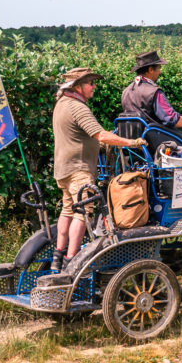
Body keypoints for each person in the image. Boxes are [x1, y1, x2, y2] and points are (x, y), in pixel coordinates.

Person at [52, 67, 146, 271]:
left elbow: (79, 136)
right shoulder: (78, 107)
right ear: (78, 86)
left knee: (67, 210)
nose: (94, 87)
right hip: (79, 170)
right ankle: (73, 262)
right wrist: (132, 142)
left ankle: (57, 258)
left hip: (63, 169)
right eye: (90, 83)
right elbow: (101, 135)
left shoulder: (61, 104)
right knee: (83, 212)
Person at [121, 50, 182, 133]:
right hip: (153, 140)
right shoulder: (154, 91)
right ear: (150, 70)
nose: (160, 72)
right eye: (159, 68)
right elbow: (171, 119)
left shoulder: (126, 91)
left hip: (131, 138)